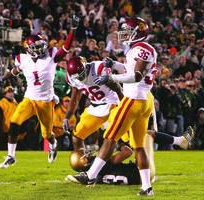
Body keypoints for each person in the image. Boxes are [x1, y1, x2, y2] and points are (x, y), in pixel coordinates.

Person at [67, 17, 157, 196]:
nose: (124, 34)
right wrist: (115, 65)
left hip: (134, 99)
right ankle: (147, 187)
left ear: (138, 32)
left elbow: (137, 75)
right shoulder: (139, 49)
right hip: (145, 98)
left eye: (128, 31)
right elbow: (131, 70)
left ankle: (91, 175)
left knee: (110, 137)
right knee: (138, 146)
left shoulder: (142, 49)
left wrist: (111, 77)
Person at [0, 13, 79, 169]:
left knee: (46, 134)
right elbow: (15, 71)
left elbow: (67, 47)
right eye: (37, 48)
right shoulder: (23, 59)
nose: (42, 49)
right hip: (29, 98)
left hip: (45, 101)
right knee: (14, 122)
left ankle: (53, 144)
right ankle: (11, 156)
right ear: (29, 50)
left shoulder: (51, 56)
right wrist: (3, 78)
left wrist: (73, 30)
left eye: (42, 46)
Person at [67, 126, 194, 185]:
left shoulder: (93, 176)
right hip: (142, 173)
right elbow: (128, 152)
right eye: (84, 154)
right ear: (83, 160)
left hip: (134, 178)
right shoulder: (98, 162)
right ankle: (182, 141)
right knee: (147, 135)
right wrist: (116, 144)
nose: (87, 153)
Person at [62, 56, 124, 152]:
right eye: (77, 77)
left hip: (111, 103)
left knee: (123, 138)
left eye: (81, 75)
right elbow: (74, 100)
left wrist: (124, 107)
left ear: (85, 67)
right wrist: (67, 118)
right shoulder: (72, 79)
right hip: (95, 106)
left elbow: (118, 89)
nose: (80, 79)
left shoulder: (98, 69)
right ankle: (84, 163)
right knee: (77, 136)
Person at [0, 86, 38, 150]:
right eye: (9, 92)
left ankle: (30, 147)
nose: (11, 94)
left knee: (31, 125)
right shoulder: (1, 104)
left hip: (16, 127)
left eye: (12, 92)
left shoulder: (15, 103)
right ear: (5, 93)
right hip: (7, 130)